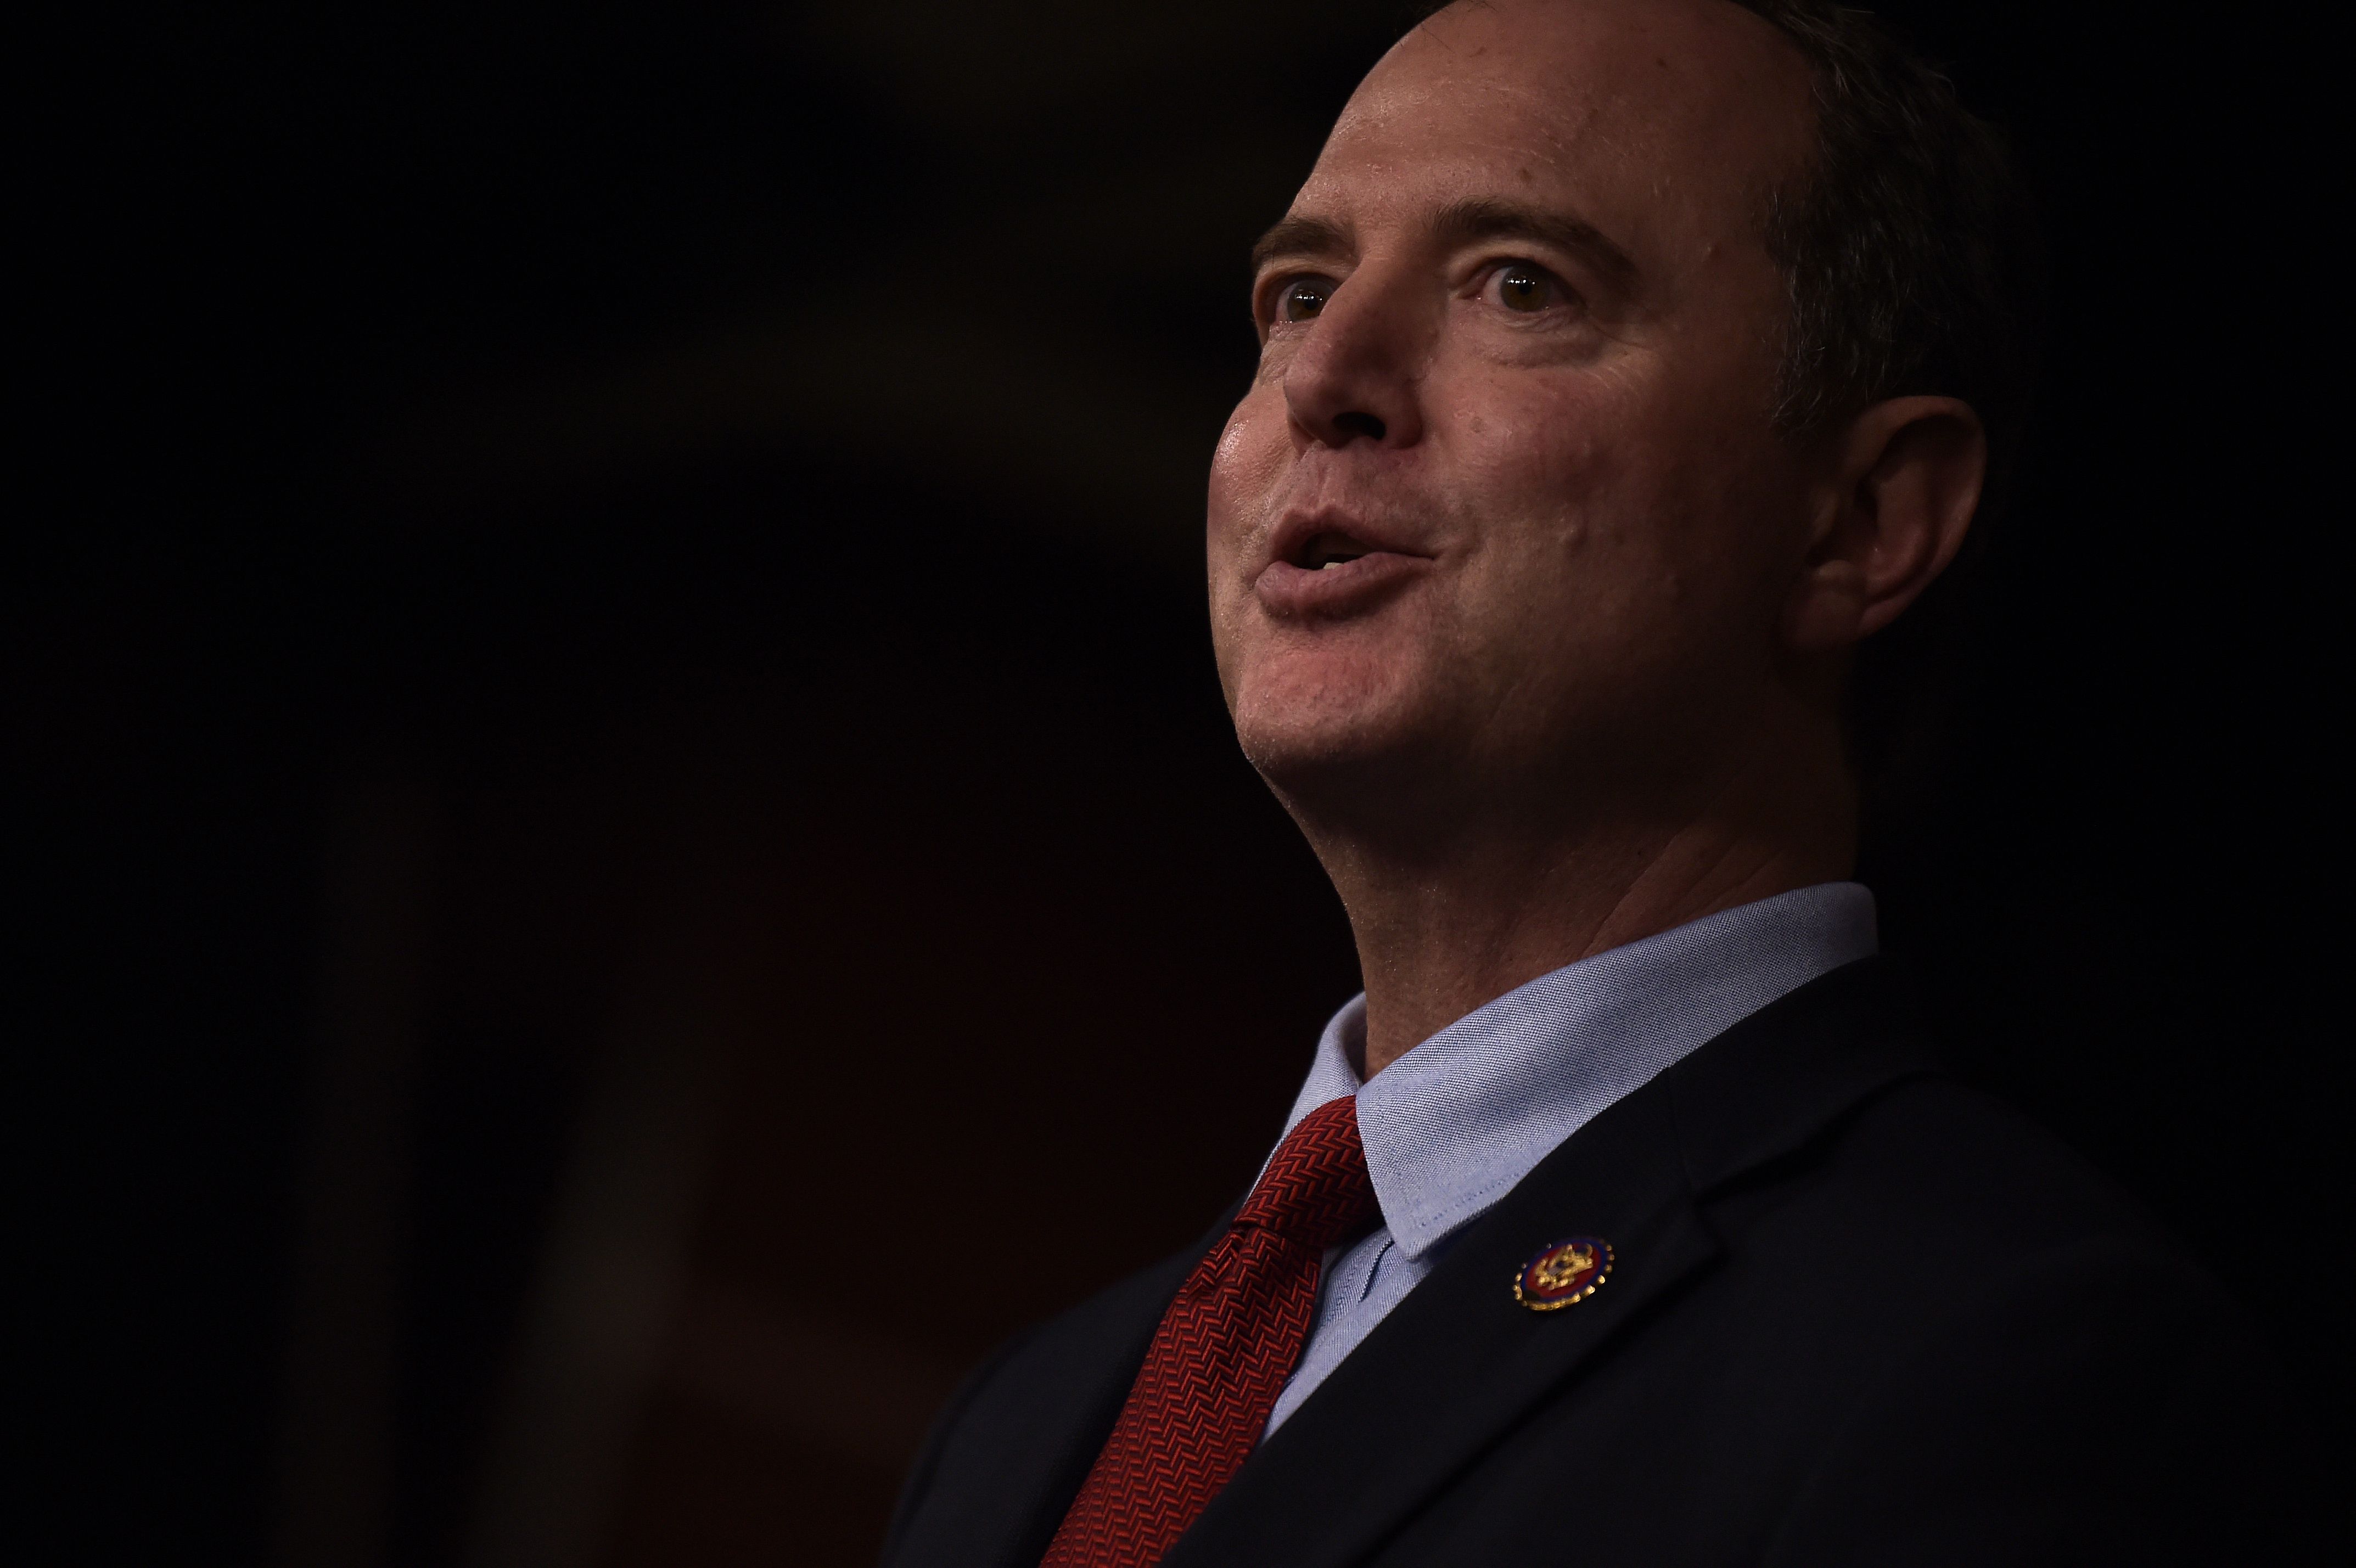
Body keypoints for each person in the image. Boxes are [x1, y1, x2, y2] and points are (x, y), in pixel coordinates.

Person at [881, 2, 2315, 1563]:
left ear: (1860, 519)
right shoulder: (1027, 1418)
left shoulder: (2013, 1363)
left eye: (1518, 285)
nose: (1327, 375)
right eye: (1296, 292)